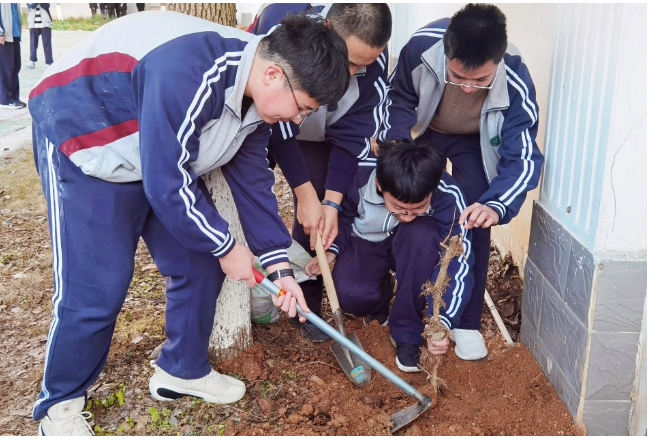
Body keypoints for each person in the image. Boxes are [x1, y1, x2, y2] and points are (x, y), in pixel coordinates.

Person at [28, 11, 349, 435]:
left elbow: (252, 182)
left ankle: (181, 369)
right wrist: (228, 246)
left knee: (199, 263)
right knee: (96, 290)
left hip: (154, 158)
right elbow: (168, 181)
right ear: (274, 74)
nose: (298, 120)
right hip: (88, 142)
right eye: (302, 108)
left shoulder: (258, 99)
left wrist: (279, 269)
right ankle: (60, 404)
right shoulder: (192, 71)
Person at [380, 3, 544, 361]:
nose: (468, 88)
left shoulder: (515, 75)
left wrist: (496, 203)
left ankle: (465, 321)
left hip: (475, 140)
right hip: (425, 133)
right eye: (457, 76)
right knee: (418, 211)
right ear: (445, 53)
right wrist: (396, 146)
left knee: (474, 214)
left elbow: (524, 156)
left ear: (498, 62)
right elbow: (398, 98)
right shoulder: (420, 48)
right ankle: (409, 300)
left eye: (481, 81)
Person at [251, 3, 392, 342]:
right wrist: (302, 192)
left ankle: (307, 306)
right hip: (261, 124)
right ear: (327, 29)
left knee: (316, 212)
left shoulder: (370, 65)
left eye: (366, 64)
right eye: (351, 61)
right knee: (253, 199)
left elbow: (351, 137)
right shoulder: (278, 27)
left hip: (321, 134)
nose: (356, 72)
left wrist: (329, 204)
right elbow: (267, 121)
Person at [304, 139, 474, 372]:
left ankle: (406, 329)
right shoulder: (360, 176)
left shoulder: (446, 192)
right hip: (367, 241)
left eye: (418, 208)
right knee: (353, 295)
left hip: (414, 248)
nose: (406, 216)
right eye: (398, 208)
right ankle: (382, 296)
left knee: (419, 232)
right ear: (379, 184)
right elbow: (342, 217)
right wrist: (332, 250)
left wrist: (441, 321)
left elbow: (458, 257)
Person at [0, 3, 25, 109]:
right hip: (5, 36)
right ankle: (5, 99)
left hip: (15, 34)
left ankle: (14, 97)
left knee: (16, 66)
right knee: (6, 68)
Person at [24, 4, 54, 70]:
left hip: (46, 24)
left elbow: (46, 5)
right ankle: (32, 61)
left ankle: (49, 62)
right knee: (33, 44)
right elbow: (31, 5)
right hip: (33, 24)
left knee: (47, 44)